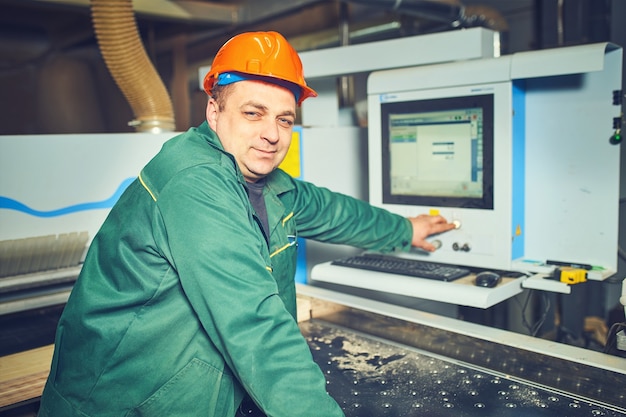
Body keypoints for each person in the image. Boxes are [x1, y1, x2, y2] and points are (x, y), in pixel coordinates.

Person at [38, 31, 455, 417]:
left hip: (195, 391)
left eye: (284, 119)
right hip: (124, 401)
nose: (271, 134)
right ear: (214, 112)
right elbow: (254, 326)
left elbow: (329, 209)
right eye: (254, 113)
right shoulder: (194, 183)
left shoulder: (264, 181)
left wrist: (406, 229)